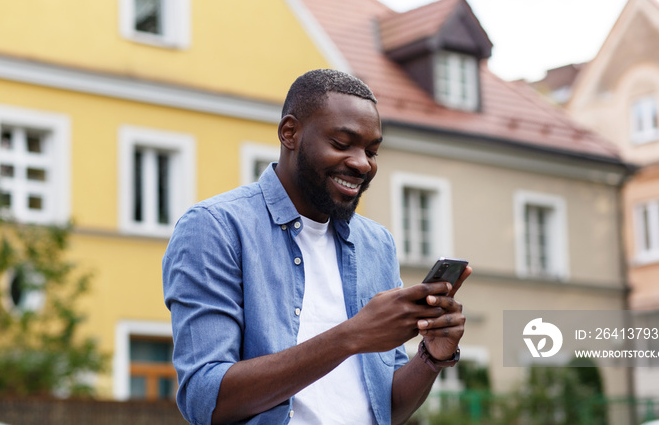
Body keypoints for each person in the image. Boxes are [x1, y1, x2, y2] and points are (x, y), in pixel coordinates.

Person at [162, 69, 472, 425]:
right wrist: (351, 336)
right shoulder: (215, 227)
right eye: (342, 144)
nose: (361, 163)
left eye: (371, 151)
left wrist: (431, 357)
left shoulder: (376, 244)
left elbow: (386, 408)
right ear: (289, 133)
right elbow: (205, 399)